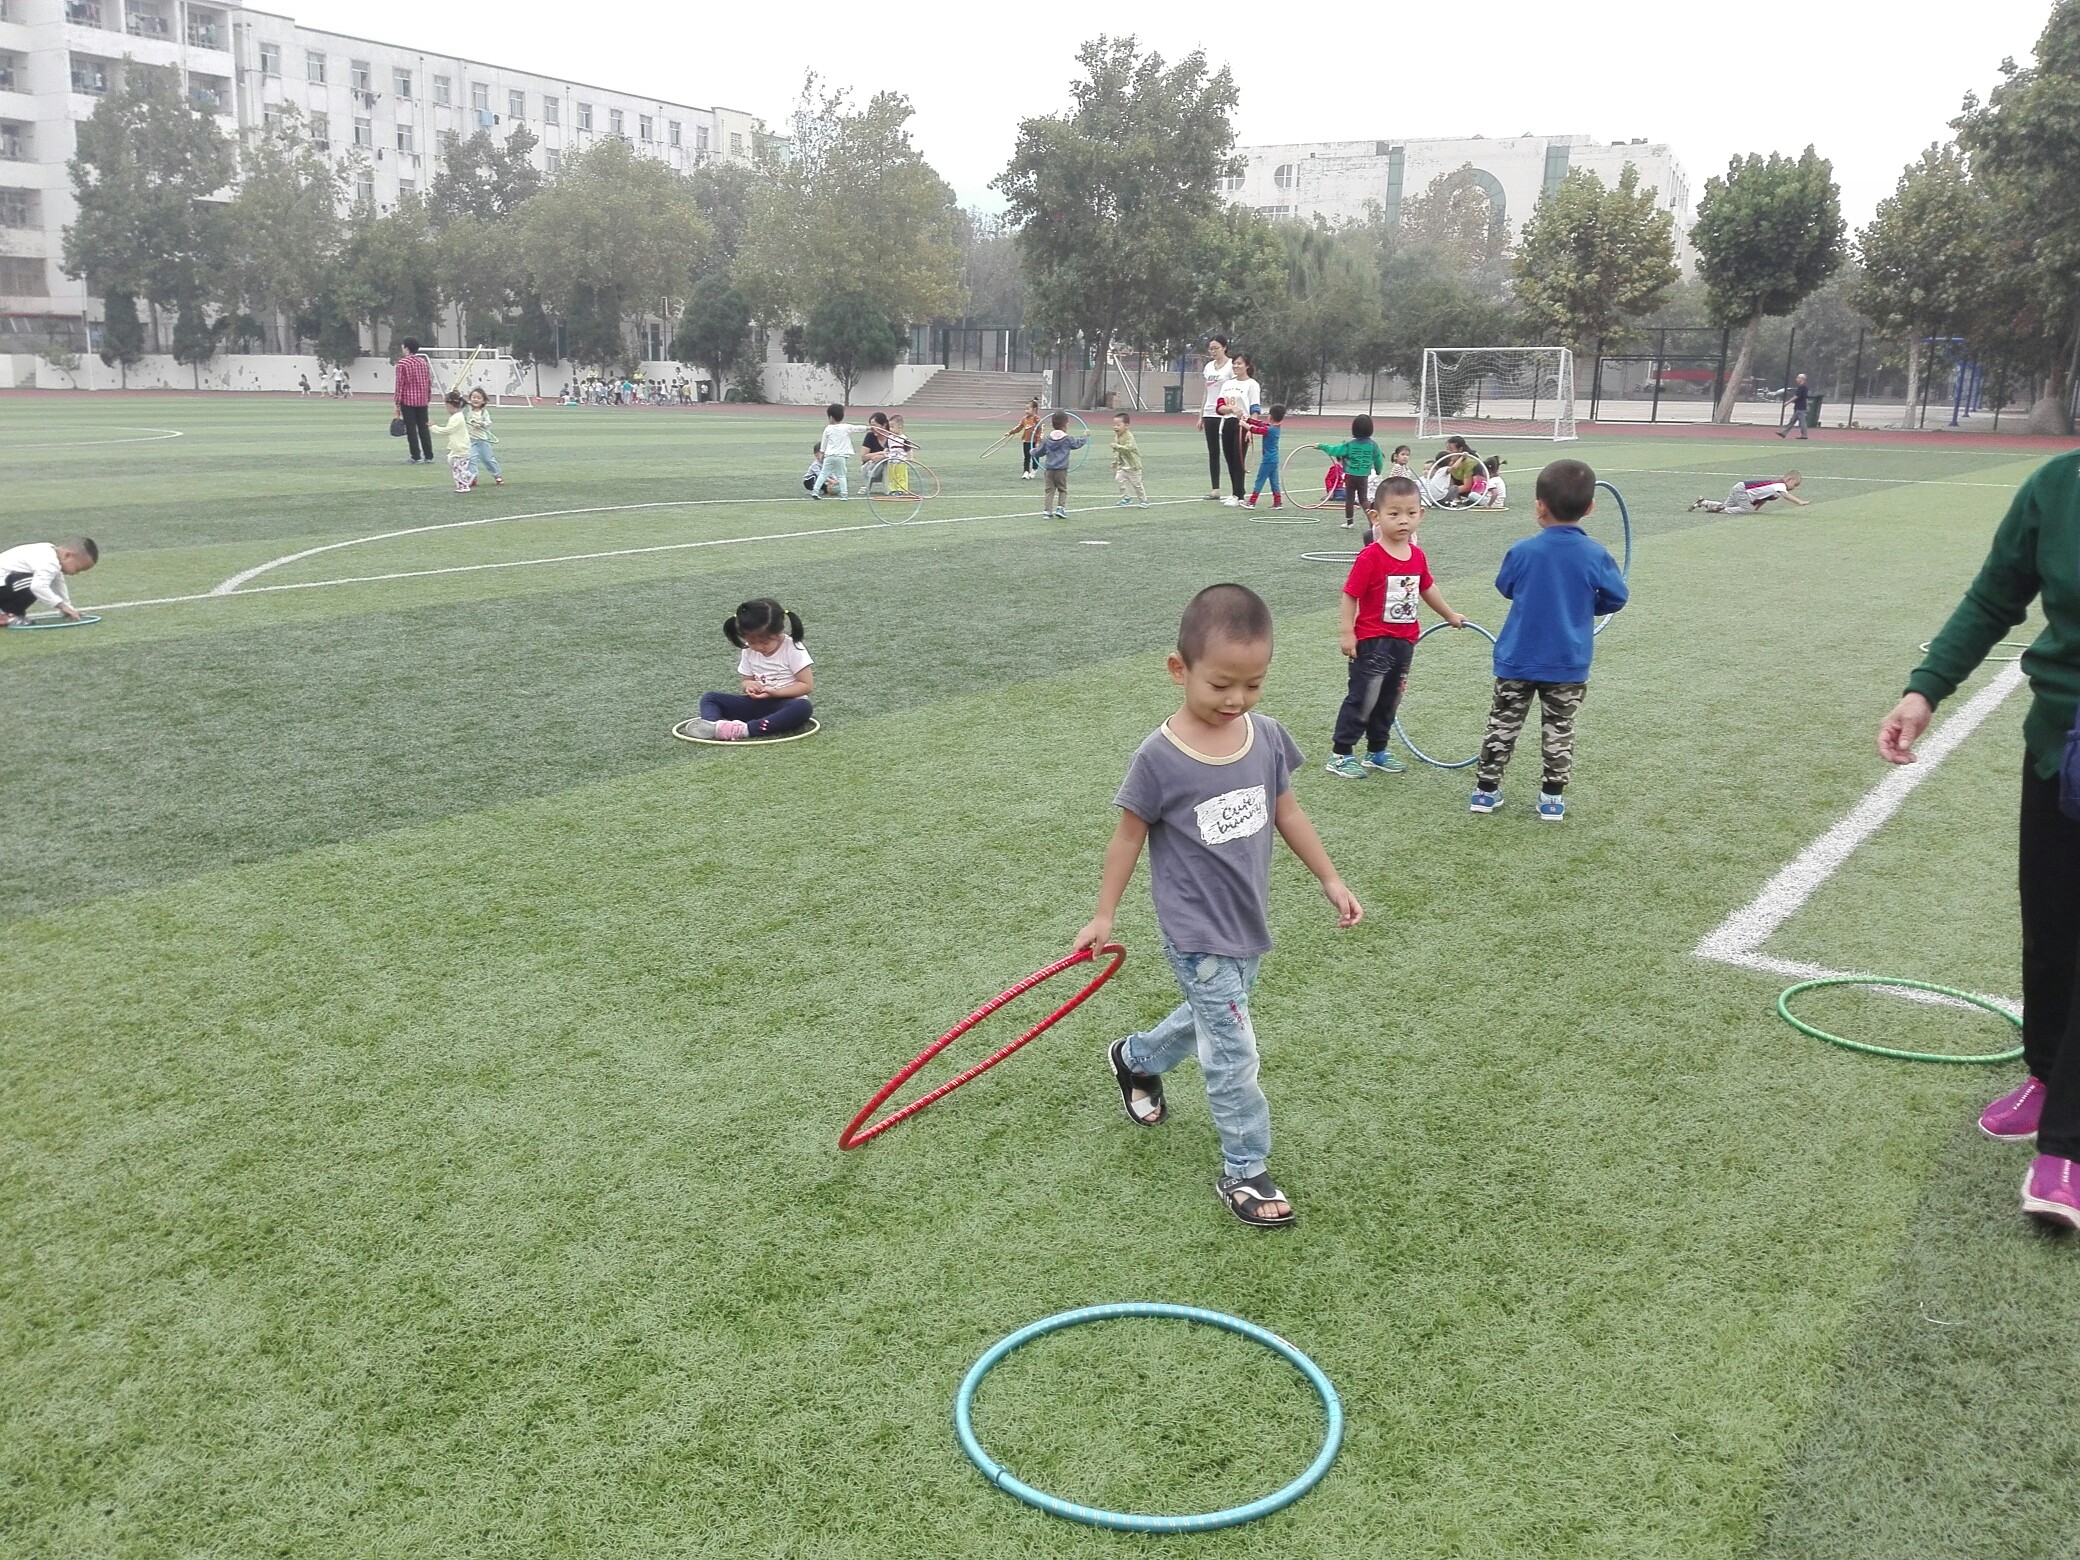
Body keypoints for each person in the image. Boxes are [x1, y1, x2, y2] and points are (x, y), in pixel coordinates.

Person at [1073, 583, 1364, 1228]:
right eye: (1221, 685)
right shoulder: (1159, 758)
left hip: (1246, 920)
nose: (1237, 700)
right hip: (1196, 931)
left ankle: (1135, 1059)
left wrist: (1330, 878)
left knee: (1216, 1017)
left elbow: (1288, 812)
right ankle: (1245, 1169)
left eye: (1253, 684)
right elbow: (1128, 837)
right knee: (1234, 1050)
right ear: (1179, 670)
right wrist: (1104, 914)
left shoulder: (1266, 738)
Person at [1879, 451, 2080, 1231]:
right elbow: (1995, 596)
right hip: (2061, 744)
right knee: (2050, 928)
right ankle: (2046, 1074)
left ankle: (2067, 1146)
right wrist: (1925, 689)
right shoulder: (2056, 487)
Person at [1470, 459, 1629, 821]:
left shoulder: (1523, 550)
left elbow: (1505, 586)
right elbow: (1617, 597)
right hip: (1568, 661)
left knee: (1502, 725)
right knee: (1559, 729)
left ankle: (1485, 792)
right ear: (1590, 507)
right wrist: (1584, 605)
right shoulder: (1596, 554)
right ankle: (1552, 799)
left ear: (1540, 506)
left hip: (1517, 657)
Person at [1326, 476, 1466, 780]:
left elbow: (1427, 588)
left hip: (1404, 642)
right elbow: (1350, 595)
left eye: (1411, 513)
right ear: (1375, 516)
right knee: (1363, 699)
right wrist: (1347, 632)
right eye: (1394, 513)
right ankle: (1341, 753)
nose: (1404, 520)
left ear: (1421, 515)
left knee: (1389, 700)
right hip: (1373, 642)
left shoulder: (1417, 556)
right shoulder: (1370, 557)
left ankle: (1376, 750)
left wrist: (1449, 614)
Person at [684, 598, 816, 742]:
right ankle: (712, 725)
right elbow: (746, 680)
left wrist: (776, 692)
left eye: (764, 642)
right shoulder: (748, 650)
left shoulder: (792, 648)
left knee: (803, 708)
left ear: (778, 632)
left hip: (785, 705)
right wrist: (749, 686)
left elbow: (806, 685)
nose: (758, 647)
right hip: (756, 704)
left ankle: (745, 730)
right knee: (710, 698)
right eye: (752, 642)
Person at [0, 536, 97, 626]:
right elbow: (37, 587)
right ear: (67, 555)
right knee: (36, 583)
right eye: (78, 569)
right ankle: (4, 614)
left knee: (42, 581)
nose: (76, 573)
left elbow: (59, 584)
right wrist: (63, 607)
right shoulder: (49, 560)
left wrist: (69, 608)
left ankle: (10, 614)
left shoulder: (51, 555)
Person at [1316, 414, 1387, 530]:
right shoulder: (1373, 445)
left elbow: (1335, 450)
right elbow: (1378, 459)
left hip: (1350, 476)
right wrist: (1378, 470)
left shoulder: (1350, 444)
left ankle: (1349, 523)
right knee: (1363, 499)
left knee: (1350, 499)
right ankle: (1372, 520)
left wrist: (1321, 446)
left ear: (1354, 429)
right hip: (1363, 476)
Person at [1200, 335, 1244, 504]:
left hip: (1226, 413)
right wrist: (1201, 415)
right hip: (1210, 412)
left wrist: (1234, 409)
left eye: (1216, 348)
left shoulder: (1231, 366)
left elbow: (1235, 389)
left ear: (1224, 347)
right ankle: (1215, 489)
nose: (1212, 351)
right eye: (1210, 349)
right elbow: (1206, 392)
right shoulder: (1208, 367)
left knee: (1231, 453)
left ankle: (1236, 491)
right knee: (1213, 452)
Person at [1038, 411, 1087, 519]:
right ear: (1066, 425)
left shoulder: (1047, 439)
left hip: (1049, 470)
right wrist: (1085, 436)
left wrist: (1032, 451)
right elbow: (1077, 443)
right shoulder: (1067, 439)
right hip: (1061, 469)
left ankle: (1047, 511)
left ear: (1052, 424)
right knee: (1062, 489)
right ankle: (1060, 508)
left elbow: (1039, 452)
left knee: (1049, 490)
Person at [811, 404, 866, 499]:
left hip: (829, 456)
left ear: (831, 417)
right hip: (840, 456)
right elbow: (857, 428)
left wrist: (822, 453)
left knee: (823, 474)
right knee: (841, 476)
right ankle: (844, 494)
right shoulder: (845, 427)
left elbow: (824, 443)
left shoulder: (828, 429)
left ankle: (815, 491)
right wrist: (869, 428)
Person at [393, 336, 434, 464]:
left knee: (411, 429)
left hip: (408, 401)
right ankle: (428, 455)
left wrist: (397, 402)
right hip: (422, 400)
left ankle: (416, 456)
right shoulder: (423, 362)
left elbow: (400, 384)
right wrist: (428, 397)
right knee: (424, 428)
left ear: (406, 348)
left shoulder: (402, 363)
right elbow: (428, 382)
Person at [427, 390, 477, 494]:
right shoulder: (457, 416)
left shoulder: (457, 417)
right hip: (457, 447)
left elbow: (448, 430)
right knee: (452, 462)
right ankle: (468, 476)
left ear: (449, 405)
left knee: (458, 469)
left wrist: (433, 427)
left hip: (461, 448)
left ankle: (463, 486)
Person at [1690, 473, 1810, 513]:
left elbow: (1764, 499)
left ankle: (1704, 502)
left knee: (1728, 505)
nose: (1794, 488)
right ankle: (1719, 510)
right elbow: (1786, 496)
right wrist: (1799, 502)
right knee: (1745, 509)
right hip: (1743, 490)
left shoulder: (1776, 490)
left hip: (1740, 488)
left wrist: (1757, 509)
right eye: (1794, 484)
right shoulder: (1780, 485)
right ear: (1789, 479)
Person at [1245, 405, 1286, 509]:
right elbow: (1260, 424)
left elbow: (1256, 430)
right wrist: (1248, 420)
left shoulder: (1269, 429)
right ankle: (1278, 502)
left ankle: (1252, 502)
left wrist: (1243, 424)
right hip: (1274, 459)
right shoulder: (1275, 428)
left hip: (1268, 460)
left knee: (1260, 480)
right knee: (1274, 481)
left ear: (1271, 416)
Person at [465, 388, 502, 486]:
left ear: (484, 401)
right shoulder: (467, 410)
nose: (475, 399)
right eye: (473, 397)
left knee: (488, 459)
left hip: (483, 440)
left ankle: (497, 475)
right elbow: (459, 403)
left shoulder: (484, 412)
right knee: (471, 459)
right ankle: (473, 477)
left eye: (479, 398)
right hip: (471, 440)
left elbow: (488, 422)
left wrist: (482, 424)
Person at [1111, 411, 1149, 507]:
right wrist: (1116, 461)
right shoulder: (1117, 436)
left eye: (1118, 425)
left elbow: (1128, 448)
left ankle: (1143, 501)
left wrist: (1117, 446)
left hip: (1133, 466)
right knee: (1119, 479)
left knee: (1137, 484)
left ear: (1126, 426)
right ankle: (1126, 497)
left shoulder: (1129, 436)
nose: (1115, 427)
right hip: (1123, 466)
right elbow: (1119, 452)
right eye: (1114, 425)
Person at [1008, 399, 1042, 481]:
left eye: (1028, 409)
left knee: (1035, 456)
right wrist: (1010, 432)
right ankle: (1026, 471)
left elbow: (1040, 431)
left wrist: (1038, 441)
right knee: (1026, 457)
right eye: (1025, 409)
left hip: (1034, 442)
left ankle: (1034, 470)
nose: (1026, 411)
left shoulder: (1037, 419)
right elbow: (1019, 427)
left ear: (1034, 409)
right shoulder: (1024, 419)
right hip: (1026, 441)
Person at [1778, 373, 1811, 440]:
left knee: (1802, 422)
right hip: (1799, 407)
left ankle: (1804, 435)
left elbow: (1796, 396)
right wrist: (1807, 405)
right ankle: (1784, 433)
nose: (1796, 379)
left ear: (1802, 379)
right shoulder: (1804, 387)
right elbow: (1804, 398)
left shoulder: (1801, 387)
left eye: (1798, 378)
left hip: (1800, 407)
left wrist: (1788, 402)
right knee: (1792, 421)